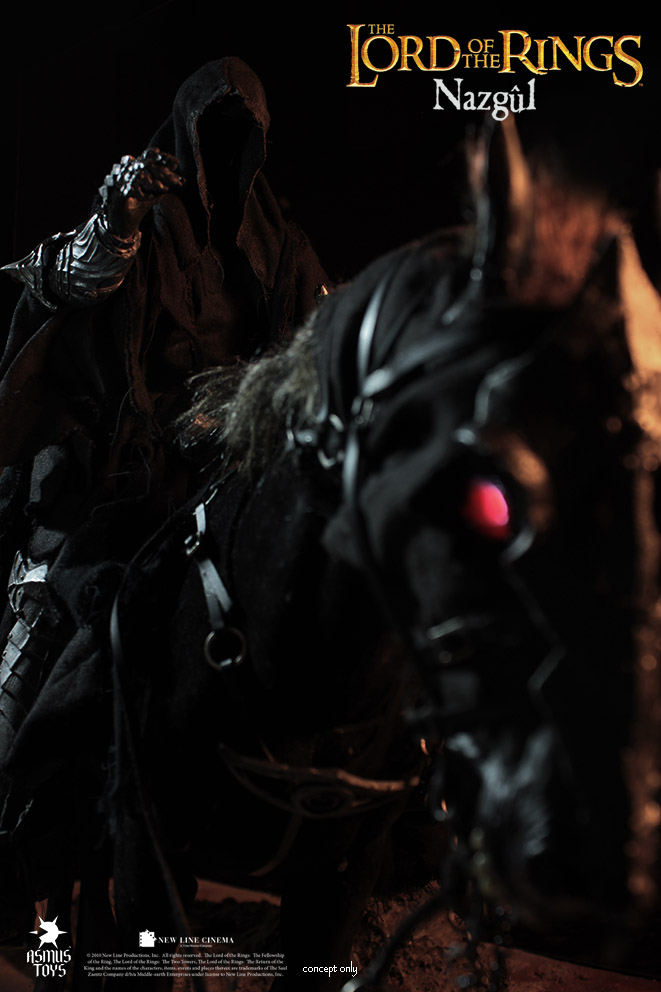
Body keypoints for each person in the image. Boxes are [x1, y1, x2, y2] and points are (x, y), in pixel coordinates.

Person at [0, 57, 327, 931]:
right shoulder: (140, 215)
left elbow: (316, 343)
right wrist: (116, 221)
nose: (222, 152)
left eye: (240, 137)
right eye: (210, 132)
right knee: (48, 618)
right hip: (119, 470)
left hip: (225, 472)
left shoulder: (281, 246)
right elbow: (68, 279)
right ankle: (9, 813)